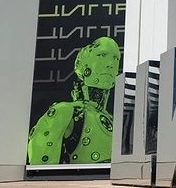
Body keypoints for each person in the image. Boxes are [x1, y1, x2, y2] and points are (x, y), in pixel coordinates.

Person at [27, 37, 120, 165]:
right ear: (83, 64)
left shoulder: (114, 121)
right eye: (102, 55)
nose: (110, 64)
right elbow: (40, 166)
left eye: (116, 58)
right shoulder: (66, 111)